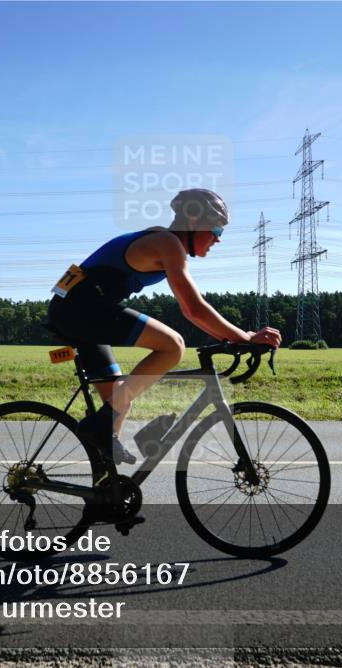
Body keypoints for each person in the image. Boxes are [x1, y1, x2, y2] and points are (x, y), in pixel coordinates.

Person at [45, 188, 282, 467]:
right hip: (81, 310)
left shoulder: (160, 239)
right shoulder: (167, 242)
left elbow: (195, 313)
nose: (219, 238)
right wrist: (246, 337)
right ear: (193, 221)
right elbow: (193, 308)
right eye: (217, 228)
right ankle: (100, 428)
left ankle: (105, 493)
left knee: (120, 401)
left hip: (75, 309)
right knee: (173, 345)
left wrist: (233, 340)